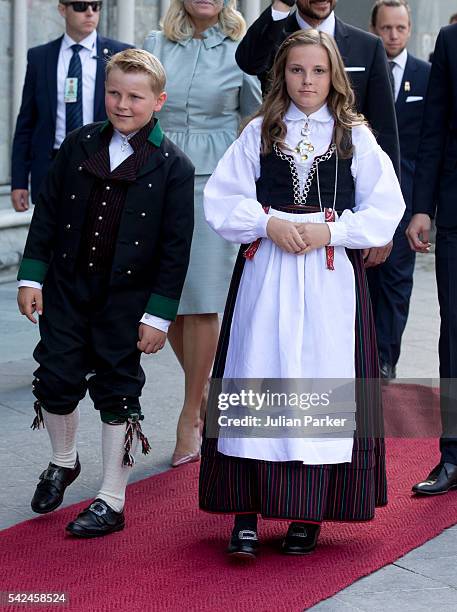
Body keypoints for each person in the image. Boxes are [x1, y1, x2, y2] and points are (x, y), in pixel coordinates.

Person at [199, 29, 405, 558]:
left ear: (333, 75)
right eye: (296, 71)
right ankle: (245, 514)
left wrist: (330, 232)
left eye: (317, 71)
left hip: (330, 277)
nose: (307, 81)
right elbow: (222, 197)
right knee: (257, 371)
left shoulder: (352, 134)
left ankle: (308, 511)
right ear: (281, 75)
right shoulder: (260, 131)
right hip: (266, 273)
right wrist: (267, 225)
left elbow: (386, 207)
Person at [17, 49, 194, 537]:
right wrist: (32, 277)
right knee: (55, 377)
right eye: (114, 93)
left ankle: (111, 500)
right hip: (67, 287)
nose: (122, 104)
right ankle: (62, 460)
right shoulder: (78, 145)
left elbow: (176, 249)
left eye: (136, 97)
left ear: (158, 101)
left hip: (127, 297)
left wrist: (158, 317)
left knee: (117, 390)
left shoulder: (173, 166)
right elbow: (48, 213)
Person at [143, 0, 261, 468]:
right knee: (168, 299)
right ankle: (206, 387)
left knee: (205, 298)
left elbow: (258, 116)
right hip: (158, 179)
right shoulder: (156, 43)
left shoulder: (241, 47)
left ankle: (191, 414)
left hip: (216, 182)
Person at [235, 0, 400, 179]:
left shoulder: (368, 46)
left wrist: (391, 191)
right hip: (279, 176)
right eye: (297, 70)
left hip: (346, 179)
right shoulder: (274, 36)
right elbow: (249, 62)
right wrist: (282, 4)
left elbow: (385, 128)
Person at [11, 0, 132, 212]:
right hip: (52, 164)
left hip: (104, 161)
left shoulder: (120, 54)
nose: (89, 13)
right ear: (62, 9)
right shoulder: (40, 57)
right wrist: (19, 180)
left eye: (96, 6)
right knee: (52, 239)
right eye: (80, 6)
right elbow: (26, 123)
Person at [407, 22, 457, 496]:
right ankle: (453, 455)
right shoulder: (451, 40)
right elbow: (434, 128)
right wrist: (422, 207)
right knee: (455, 334)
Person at [367, 0, 430, 379]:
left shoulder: (426, 74)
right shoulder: (361, 71)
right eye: (386, 28)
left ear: (409, 29)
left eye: (400, 28)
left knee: (397, 280)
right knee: (367, 276)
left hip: (407, 194)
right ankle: (364, 353)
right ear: (375, 29)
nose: (393, 35)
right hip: (365, 194)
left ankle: (386, 358)